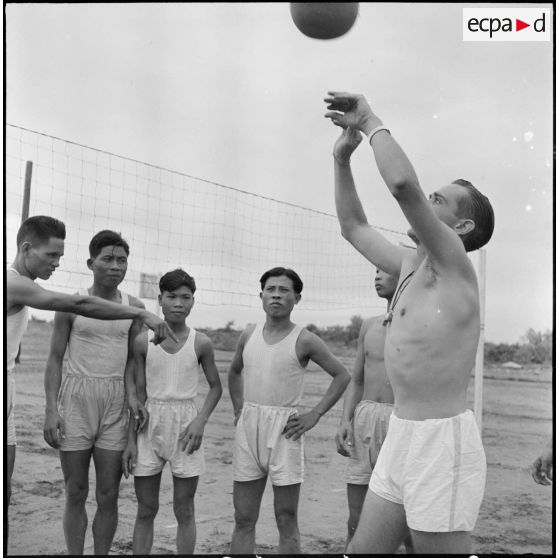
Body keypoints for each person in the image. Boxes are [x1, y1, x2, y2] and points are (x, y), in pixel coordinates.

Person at [324, 91, 494, 554]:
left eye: (438, 200)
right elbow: (353, 226)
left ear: (459, 229)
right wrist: (342, 160)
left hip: (442, 443)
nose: (426, 199)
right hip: (402, 432)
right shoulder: (408, 265)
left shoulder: (455, 268)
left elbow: (402, 186)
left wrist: (370, 120)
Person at [6, 216, 175, 532]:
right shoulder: (13, 283)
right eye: (51, 255)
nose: (57, 263)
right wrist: (140, 312)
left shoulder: (23, 286)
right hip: (71, 399)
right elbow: (79, 305)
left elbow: (134, 361)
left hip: (25, 394)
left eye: (60, 256)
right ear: (27, 248)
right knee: (70, 490)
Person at [228, 267, 350, 554]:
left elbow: (342, 375)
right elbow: (234, 372)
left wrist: (315, 414)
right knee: (243, 518)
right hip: (249, 429)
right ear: (261, 295)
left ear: (297, 297)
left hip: (285, 432)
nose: (276, 295)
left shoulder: (304, 339)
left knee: (286, 517)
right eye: (271, 289)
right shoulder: (248, 333)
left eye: (284, 290)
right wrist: (238, 409)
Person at [121, 268, 223, 554]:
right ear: (160, 299)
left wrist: (200, 421)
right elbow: (138, 394)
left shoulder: (200, 342)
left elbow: (216, 387)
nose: (178, 303)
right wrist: (130, 439)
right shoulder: (142, 341)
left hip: (186, 428)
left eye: (185, 297)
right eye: (172, 297)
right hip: (149, 425)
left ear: (193, 301)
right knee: (146, 509)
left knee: (184, 509)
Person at [335, 268, 411, 553]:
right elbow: (357, 379)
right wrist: (345, 419)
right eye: (375, 271)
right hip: (365, 418)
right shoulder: (368, 325)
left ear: (406, 277)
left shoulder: (420, 326)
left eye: (386, 271)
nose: (377, 276)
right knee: (356, 517)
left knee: (406, 520)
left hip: (401, 418)